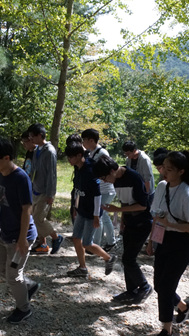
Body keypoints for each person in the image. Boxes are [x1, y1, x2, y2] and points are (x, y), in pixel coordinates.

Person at [0, 137, 39, 324]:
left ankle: (24, 309)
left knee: (13, 275)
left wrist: (22, 240)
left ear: (6, 158)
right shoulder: (1, 174)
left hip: (20, 236)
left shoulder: (21, 178)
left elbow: (26, 209)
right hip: (5, 233)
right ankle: (29, 286)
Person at [145, 151, 189, 336]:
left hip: (182, 244)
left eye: (169, 169)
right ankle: (183, 307)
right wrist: (151, 241)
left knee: (167, 287)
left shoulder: (187, 194)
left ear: (181, 171)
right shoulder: (161, 187)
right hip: (163, 239)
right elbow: (156, 216)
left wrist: (172, 225)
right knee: (159, 286)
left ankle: (166, 329)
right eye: (163, 168)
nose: (164, 173)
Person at [93, 155, 153, 305]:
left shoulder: (133, 177)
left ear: (113, 170)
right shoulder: (116, 180)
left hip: (142, 223)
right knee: (126, 257)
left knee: (128, 258)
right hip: (130, 223)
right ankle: (131, 291)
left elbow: (143, 205)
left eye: (104, 177)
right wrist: (123, 220)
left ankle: (145, 287)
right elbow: (124, 201)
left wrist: (119, 210)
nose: (104, 181)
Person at [64, 142, 117, 278]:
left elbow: (97, 194)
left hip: (92, 212)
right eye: (68, 157)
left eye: (71, 157)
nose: (69, 160)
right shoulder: (78, 168)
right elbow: (77, 190)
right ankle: (82, 268)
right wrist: (75, 207)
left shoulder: (90, 169)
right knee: (76, 238)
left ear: (79, 155)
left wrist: (96, 216)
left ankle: (108, 258)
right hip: (81, 209)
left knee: (87, 243)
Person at [27, 123, 64, 254]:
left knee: (38, 219)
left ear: (41, 136)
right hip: (35, 189)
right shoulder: (37, 149)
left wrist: (50, 194)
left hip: (45, 191)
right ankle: (41, 244)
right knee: (32, 217)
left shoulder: (49, 151)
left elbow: (52, 175)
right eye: (30, 136)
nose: (30, 139)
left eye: (33, 136)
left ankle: (56, 237)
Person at [82, 129, 116, 251]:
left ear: (91, 140)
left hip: (105, 190)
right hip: (99, 190)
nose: (83, 143)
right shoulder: (91, 152)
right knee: (104, 216)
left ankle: (95, 244)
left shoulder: (102, 153)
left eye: (84, 140)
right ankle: (111, 241)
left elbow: (104, 173)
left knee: (98, 217)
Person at [122, 141, 156, 207]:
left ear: (134, 151)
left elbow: (147, 179)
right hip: (136, 190)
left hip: (146, 191)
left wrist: (146, 195)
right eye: (125, 154)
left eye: (128, 154)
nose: (127, 156)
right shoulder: (128, 159)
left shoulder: (144, 159)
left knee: (147, 213)